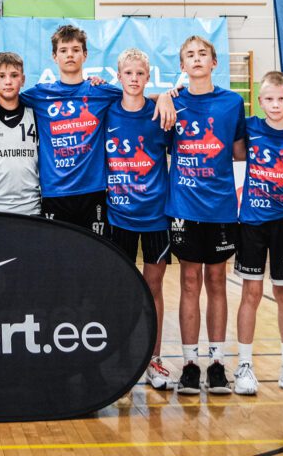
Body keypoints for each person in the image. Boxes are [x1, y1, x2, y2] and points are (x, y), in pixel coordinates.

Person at [0, 25, 175, 236]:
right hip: (55, 193)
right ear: (54, 56)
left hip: (93, 192)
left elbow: (135, 97)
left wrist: (163, 97)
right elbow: (8, 97)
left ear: (85, 55)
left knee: (95, 253)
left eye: (76, 50)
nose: (70, 54)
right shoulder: (40, 94)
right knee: (58, 253)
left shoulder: (101, 91)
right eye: (63, 50)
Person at [166, 35, 246, 396]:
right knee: (188, 282)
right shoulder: (172, 102)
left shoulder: (232, 103)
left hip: (221, 208)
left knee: (217, 281)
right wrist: (164, 96)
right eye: (190, 55)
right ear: (182, 65)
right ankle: (189, 363)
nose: (196, 59)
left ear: (214, 62)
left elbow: (240, 153)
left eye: (203, 54)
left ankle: (216, 363)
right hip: (184, 207)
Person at [233, 71, 283, 396]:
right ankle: (244, 366)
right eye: (269, 99)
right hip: (252, 223)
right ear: (260, 101)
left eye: (281, 99)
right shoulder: (250, 127)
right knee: (251, 294)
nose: (275, 104)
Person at [105, 48, 176, 391]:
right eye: (128, 73)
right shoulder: (107, 111)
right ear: (118, 76)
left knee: (153, 289)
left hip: (156, 217)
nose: (134, 79)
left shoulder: (161, 114)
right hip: (118, 215)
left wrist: (166, 97)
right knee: (120, 289)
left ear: (148, 77)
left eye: (140, 73)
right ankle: (122, 357)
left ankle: (154, 359)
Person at [0, 52, 40, 216]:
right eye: (1, 76)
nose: (8, 81)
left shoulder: (36, 115)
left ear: (23, 79)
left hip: (31, 209)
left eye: (14, 75)